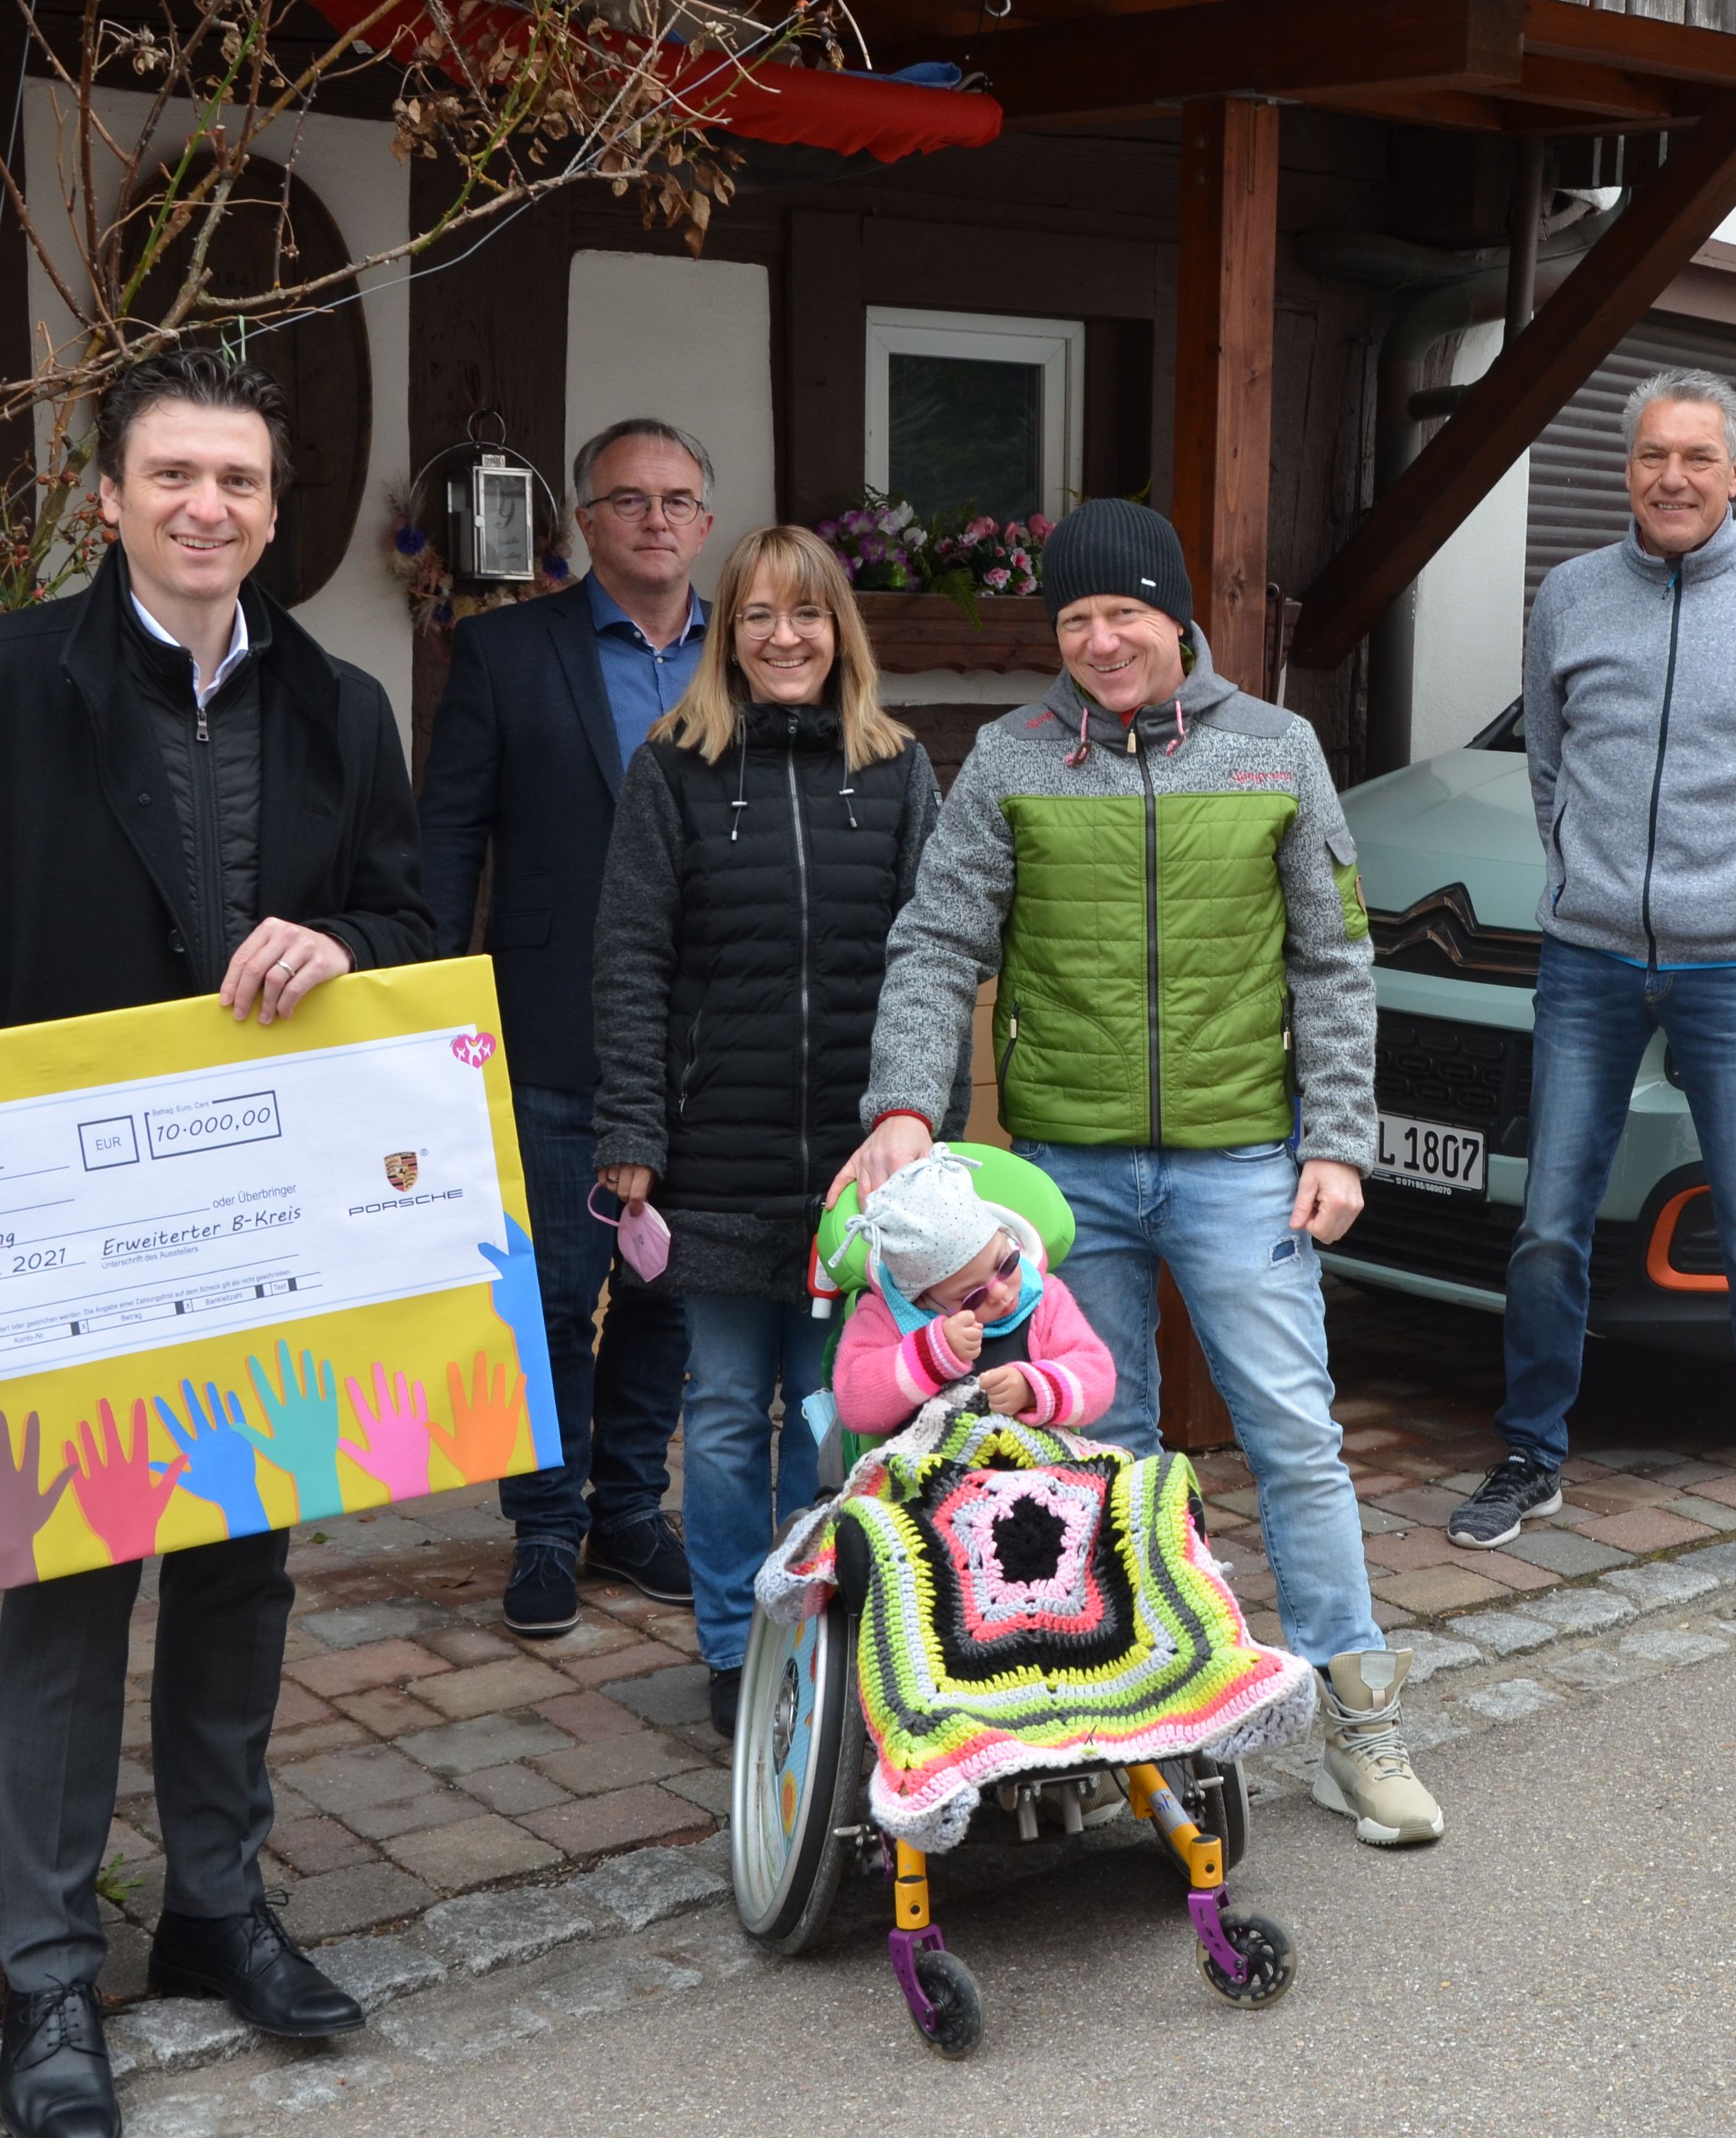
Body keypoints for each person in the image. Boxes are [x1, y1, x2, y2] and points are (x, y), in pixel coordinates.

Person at [0, 350, 431, 2134]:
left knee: (242, 1581)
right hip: (52, 1246)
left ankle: (214, 1909)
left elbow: (416, 922)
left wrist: (343, 940)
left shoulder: (346, 709)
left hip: (268, 1234)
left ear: (276, 512)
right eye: (175, 476)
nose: (210, 509)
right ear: (105, 495)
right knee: (64, 1601)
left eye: (242, 484)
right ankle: (49, 1981)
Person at [835, 497, 1442, 1849]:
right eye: (1073, 618)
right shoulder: (1008, 757)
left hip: (1243, 1159)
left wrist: (1338, 1136)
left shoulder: (1275, 750)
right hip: (1067, 1168)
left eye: (1124, 613)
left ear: (1179, 615)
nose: (1101, 640)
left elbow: (1332, 957)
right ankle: (1132, 1721)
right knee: (1098, 1446)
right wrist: (904, 1108)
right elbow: (936, 940)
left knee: (1292, 1434)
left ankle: (1359, 1720)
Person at [1446, 368, 1736, 1623]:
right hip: (1585, 957)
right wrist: (1583, 872)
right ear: (1624, 468)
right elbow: (1548, 763)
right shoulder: (1570, 595)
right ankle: (1531, 1451)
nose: (1670, 477)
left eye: (1696, 457)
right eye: (1649, 455)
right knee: (1549, 1221)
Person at [589, 522, 946, 1740]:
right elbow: (629, 958)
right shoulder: (674, 769)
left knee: (838, 1416)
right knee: (733, 1414)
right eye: (756, 616)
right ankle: (739, 1647)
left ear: (838, 630)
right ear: (724, 634)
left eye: (806, 614)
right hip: (717, 1161)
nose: (783, 636)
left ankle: (829, 1631)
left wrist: (919, 1120)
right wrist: (632, 1125)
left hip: (857, 1174)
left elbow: (931, 965)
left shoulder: (896, 769)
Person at [420, 420, 718, 1638]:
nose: (655, 519)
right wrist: (433, 1008)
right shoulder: (501, 652)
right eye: (629, 499)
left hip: (710, 1031)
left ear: (706, 520)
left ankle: (629, 1508)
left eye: (679, 499)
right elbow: (447, 837)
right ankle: (544, 1526)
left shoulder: (746, 653)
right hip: (547, 1023)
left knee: (675, 1293)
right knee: (545, 1294)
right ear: (585, 523)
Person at [832, 1150, 1117, 1435]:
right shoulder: (886, 1319)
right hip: (929, 1468)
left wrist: (1033, 1389)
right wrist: (930, 1354)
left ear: (1006, 1238)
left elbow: (1098, 1376)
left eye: (1005, 1264)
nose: (1002, 1294)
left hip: (1037, 1467)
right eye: (974, 1297)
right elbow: (856, 1408)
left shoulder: (1044, 1299)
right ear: (921, 1298)